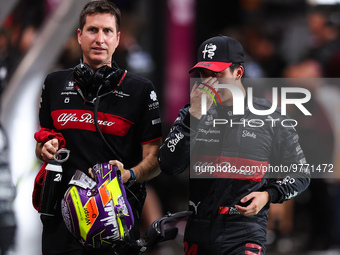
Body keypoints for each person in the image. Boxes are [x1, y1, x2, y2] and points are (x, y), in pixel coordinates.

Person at [158, 35, 310, 255]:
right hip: (198, 232)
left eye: (217, 74)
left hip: (245, 233)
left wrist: (269, 195)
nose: (208, 82)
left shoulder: (271, 118)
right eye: (203, 74)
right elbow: (168, 166)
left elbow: (301, 174)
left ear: (238, 72)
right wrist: (193, 118)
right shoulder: (191, 114)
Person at [34, 1, 162, 254]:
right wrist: (44, 149)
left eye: (107, 31)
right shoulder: (54, 83)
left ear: (118, 39)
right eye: (93, 30)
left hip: (114, 225)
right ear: (79, 36)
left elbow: (155, 160)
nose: (100, 39)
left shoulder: (141, 90)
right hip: (60, 226)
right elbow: (43, 145)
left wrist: (130, 174)